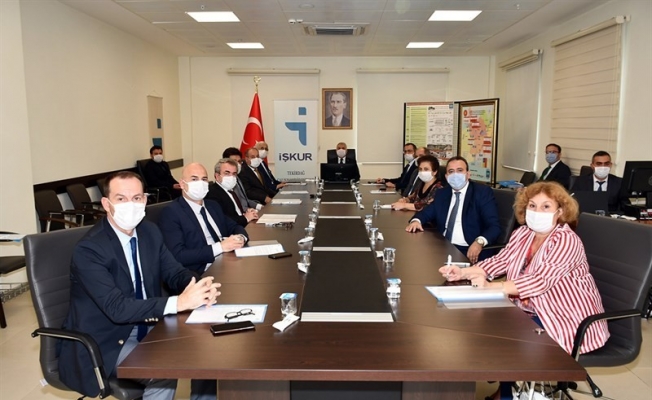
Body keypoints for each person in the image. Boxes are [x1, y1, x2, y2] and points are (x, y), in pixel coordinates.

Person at [438, 181, 609, 399]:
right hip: (529, 308)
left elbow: (539, 281)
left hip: (565, 316)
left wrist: (492, 287)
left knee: (506, 339)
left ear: (560, 211)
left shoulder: (566, 240)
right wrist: (463, 272)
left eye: (546, 206)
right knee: (482, 327)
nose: (537, 212)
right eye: (532, 206)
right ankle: (505, 389)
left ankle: (505, 393)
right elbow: (500, 261)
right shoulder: (524, 233)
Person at [58, 171, 220, 400]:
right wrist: (179, 302)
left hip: (151, 323)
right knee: (164, 369)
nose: (130, 205)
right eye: (121, 199)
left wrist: (197, 287)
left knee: (207, 350)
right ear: (106, 204)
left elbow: (174, 272)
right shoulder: (89, 250)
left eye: (136, 198)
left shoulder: (149, 232)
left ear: (144, 200)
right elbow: (118, 309)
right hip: (106, 340)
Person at [158, 163, 249, 276]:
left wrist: (240, 238)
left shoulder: (213, 205)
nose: (200, 183)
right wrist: (220, 247)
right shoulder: (172, 212)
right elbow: (178, 255)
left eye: (204, 179)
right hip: (202, 272)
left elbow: (234, 226)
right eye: (194, 179)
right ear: (182, 184)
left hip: (228, 261)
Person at [406, 156, 501, 263]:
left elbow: (494, 227)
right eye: (451, 171)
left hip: (469, 249)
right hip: (443, 246)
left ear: (468, 174)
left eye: (460, 170)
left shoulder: (481, 193)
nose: (455, 174)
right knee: (413, 258)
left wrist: (479, 242)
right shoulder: (442, 193)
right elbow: (426, 213)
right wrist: (416, 221)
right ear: (446, 177)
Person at [206, 158, 259, 227]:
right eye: (227, 173)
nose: (231, 177)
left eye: (234, 174)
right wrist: (245, 218)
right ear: (217, 176)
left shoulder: (230, 191)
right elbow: (224, 220)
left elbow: (235, 213)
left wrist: (247, 213)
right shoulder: (213, 193)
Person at [222, 147, 264, 212]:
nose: (237, 164)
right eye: (234, 161)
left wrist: (259, 206)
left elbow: (244, 200)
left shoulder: (238, 178)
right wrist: (247, 212)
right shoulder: (226, 182)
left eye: (239, 161)